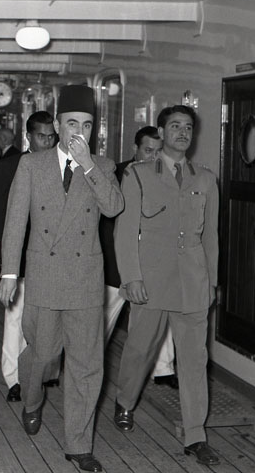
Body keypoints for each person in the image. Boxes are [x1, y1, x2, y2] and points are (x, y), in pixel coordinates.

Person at [0, 85, 123, 473]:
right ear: (56, 124)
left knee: (87, 366)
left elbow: (113, 207)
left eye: (86, 125)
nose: (78, 132)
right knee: (43, 354)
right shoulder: (31, 165)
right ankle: (32, 399)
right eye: (72, 124)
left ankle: (78, 445)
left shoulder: (102, 166)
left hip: (85, 279)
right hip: (45, 276)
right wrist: (9, 272)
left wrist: (87, 166)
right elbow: (15, 221)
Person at [113, 105, 220, 466]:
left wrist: (212, 283)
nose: (182, 133)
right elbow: (125, 232)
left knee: (194, 362)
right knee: (139, 350)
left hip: (193, 284)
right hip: (151, 283)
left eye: (188, 127)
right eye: (175, 126)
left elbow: (211, 238)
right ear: (161, 133)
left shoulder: (205, 180)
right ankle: (125, 401)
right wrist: (131, 278)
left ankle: (195, 435)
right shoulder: (139, 175)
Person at [100, 126, 178, 388]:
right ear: (135, 149)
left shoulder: (167, 176)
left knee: (157, 314)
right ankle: (90, 362)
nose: (153, 157)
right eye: (148, 150)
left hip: (154, 261)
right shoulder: (117, 173)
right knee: (104, 319)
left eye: (158, 151)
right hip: (117, 260)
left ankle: (163, 369)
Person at [0, 111, 57, 402]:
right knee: (15, 317)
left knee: (47, 318)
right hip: (19, 254)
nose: (47, 142)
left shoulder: (62, 166)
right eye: (41, 136)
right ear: (28, 137)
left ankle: (41, 371)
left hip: (52, 257)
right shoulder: (10, 166)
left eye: (51, 137)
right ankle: (13, 378)